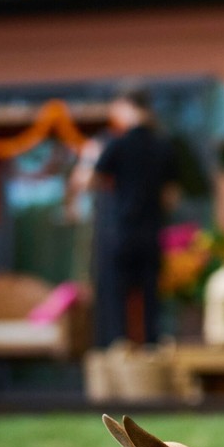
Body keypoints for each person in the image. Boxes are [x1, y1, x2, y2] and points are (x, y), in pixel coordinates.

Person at [86, 91, 179, 347]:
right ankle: (151, 347)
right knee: (151, 297)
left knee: (117, 295)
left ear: (129, 108)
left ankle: (119, 345)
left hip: (122, 231)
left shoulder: (117, 143)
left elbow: (92, 179)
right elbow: (171, 197)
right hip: (151, 232)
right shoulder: (163, 146)